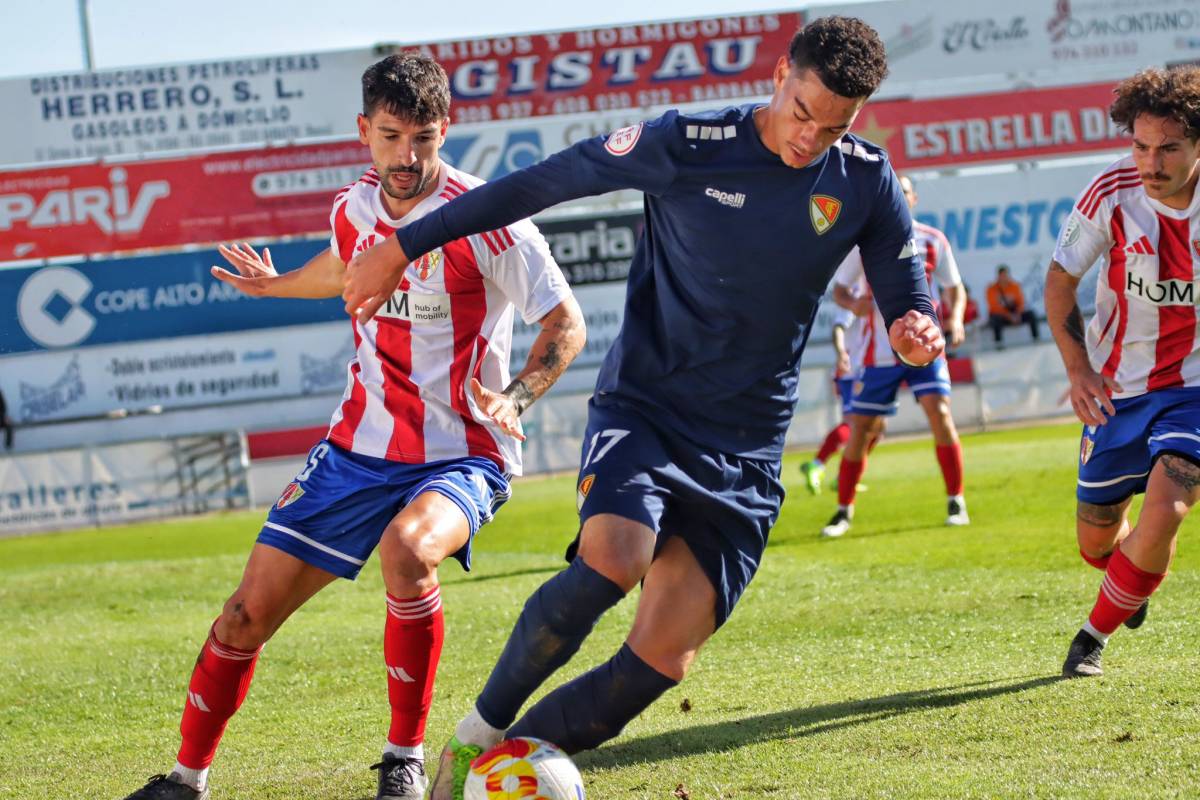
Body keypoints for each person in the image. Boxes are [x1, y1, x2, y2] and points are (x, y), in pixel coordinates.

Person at [343, 17, 944, 800]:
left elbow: (905, 292)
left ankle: (492, 774)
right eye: (802, 112)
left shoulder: (865, 179)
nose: (810, 138)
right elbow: (541, 183)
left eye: (833, 127)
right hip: (648, 409)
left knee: (663, 659)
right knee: (613, 562)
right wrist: (404, 245)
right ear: (779, 76)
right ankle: (478, 734)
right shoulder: (687, 143)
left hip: (748, 447)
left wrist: (913, 328)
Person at [120, 53, 583, 800]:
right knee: (242, 615)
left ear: (445, 130)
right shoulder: (352, 207)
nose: (407, 157)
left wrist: (518, 396)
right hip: (355, 449)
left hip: (462, 451)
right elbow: (343, 267)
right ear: (363, 130)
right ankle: (185, 780)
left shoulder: (489, 218)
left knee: (408, 550)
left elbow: (566, 324)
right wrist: (273, 285)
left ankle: (403, 758)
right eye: (391, 137)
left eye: (423, 139)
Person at [1045, 65, 1200, 678]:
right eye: (1140, 146)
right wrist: (1079, 371)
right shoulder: (1110, 191)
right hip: (1117, 389)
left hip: (1193, 389)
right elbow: (1060, 282)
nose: (1151, 163)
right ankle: (1130, 580)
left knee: (1168, 507)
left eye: (1169, 149)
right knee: (1097, 542)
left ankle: (1091, 638)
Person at [821, 174, 969, 538]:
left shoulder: (933, 240)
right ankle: (843, 511)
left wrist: (955, 318)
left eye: (904, 193)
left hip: (926, 347)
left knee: (941, 413)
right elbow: (840, 290)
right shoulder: (866, 242)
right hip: (879, 354)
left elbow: (954, 288)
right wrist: (854, 304)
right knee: (862, 430)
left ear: (913, 199)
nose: (899, 198)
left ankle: (956, 501)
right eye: (894, 193)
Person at [798, 303, 860, 495]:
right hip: (854, 370)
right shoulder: (855, 296)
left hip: (864, 369)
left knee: (874, 428)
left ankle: (846, 475)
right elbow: (838, 327)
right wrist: (841, 354)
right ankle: (818, 465)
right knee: (854, 423)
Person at [985, 265, 1040, 348]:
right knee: (995, 319)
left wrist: (1018, 314)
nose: (1004, 278)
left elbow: (1021, 302)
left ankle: (1036, 339)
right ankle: (998, 344)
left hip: (1015, 314)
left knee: (1031, 314)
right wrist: (1008, 315)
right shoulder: (991, 289)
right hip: (1002, 316)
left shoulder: (1015, 286)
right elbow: (994, 307)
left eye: (1005, 275)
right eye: (1002, 276)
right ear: (998, 276)